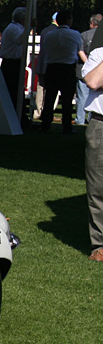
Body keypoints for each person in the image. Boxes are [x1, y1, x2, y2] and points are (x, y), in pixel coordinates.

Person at [39, 10, 80, 133]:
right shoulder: (75, 34)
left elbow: (45, 50)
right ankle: (67, 125)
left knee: (50, 97)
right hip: (67, 68)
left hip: (52, 67)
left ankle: (45, 123)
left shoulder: (49, 35)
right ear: (68, 20)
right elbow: (78, 49)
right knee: (67, 99)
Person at [82, 45, 103, 261]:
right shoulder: (99, 54)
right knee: (97, 186)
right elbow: (94, 82)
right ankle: (100, 244)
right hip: (100, 125)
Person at [0, 7, 27, 120]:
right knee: (13, 90)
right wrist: (29, 28)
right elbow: (19, 41)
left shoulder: (16, 28)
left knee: (16, 90)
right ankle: (16, 116)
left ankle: (19, 115)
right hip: (11, 63)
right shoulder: (14, 28)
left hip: (14, 62)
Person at [76, 14, 101, 125]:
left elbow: (80, 51)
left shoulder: (84, 35)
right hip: (97, 71)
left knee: (82, 96)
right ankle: (89, 118)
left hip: (86, 69)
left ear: (92, 23)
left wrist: (89, 65)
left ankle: (80, 120)